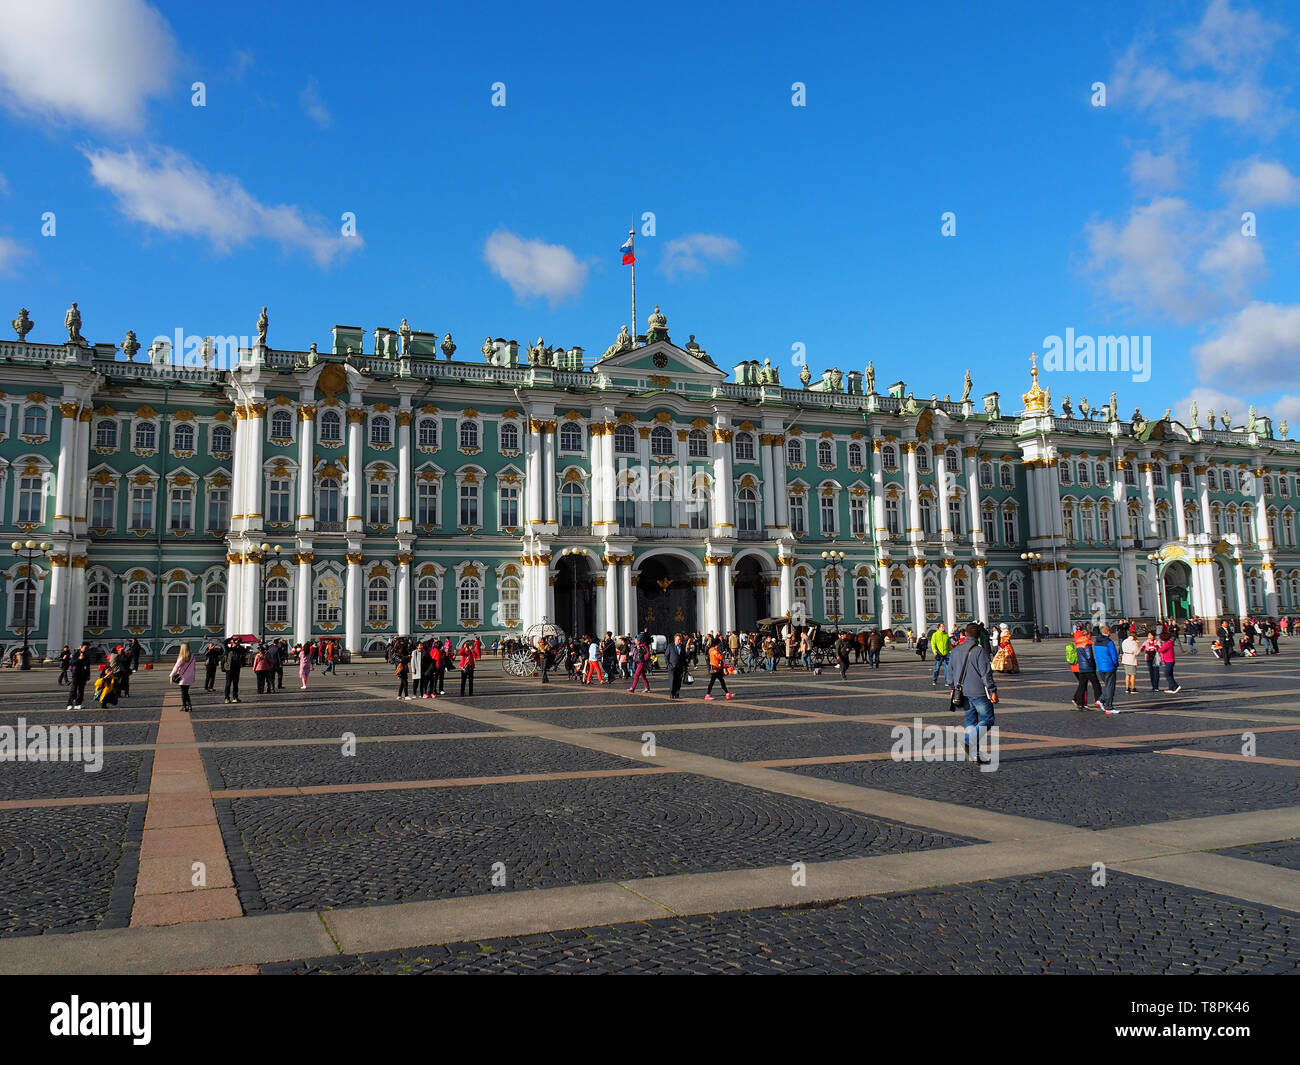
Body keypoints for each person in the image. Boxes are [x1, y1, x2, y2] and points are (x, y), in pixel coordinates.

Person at [948, 623, 998, 765]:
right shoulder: (979, 651)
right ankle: (967, 740)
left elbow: (950, 672)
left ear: (966, 633)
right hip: (978, 692)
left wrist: (952, 688)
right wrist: (992, 690)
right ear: (978, 635)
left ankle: (975, 755)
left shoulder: (956, 650)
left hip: (962, 692)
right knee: (988, 719)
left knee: (971, 722)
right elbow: (986, 674)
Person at [1070, 626, 1100, 711]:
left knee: (1082, 685)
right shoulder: (1087, 643)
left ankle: (1080, 703)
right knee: (1096, 684)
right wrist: (1093, 663)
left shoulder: (1078, 643)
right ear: (1088, 635)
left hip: (1080, 667)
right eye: (1090, 635)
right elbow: (1089, 656)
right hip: (1088, 667)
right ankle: (1099, 700)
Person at [1092, 626, 1118, 714]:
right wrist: (1116, 664)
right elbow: (1114, 655)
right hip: (1109, 667)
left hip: (1100, 667)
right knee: (1110, 687)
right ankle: (1109, 707)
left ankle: (1101, 700)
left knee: (1107, 686)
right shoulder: (1109, 642)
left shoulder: (1096, 642)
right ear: (1108, 632)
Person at [170, 643, 196, 713]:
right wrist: (193, 676)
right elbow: (194, 668)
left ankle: (185, 706)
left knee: (183, 692)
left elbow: (176, 667)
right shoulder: (193, 656)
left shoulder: (182, 657)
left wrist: (171, 675)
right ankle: (189, 706)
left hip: (183, 677)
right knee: (186, 692)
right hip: (190, 676)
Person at [67, 644, 91, 710]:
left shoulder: (87, 656)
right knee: (73, 690)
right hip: (76, 674)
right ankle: (70, 704)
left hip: (83, 674)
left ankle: (78, 704)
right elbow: (72, 663)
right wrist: (79, 659)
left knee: (81, 690)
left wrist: (88, 675)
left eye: (87, 648)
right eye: (85, 648)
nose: (87, 649)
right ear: (81, 647)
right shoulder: (76, 654)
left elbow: (88, 666)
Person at [223, 638, 244, 703]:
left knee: (235, 684)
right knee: (228, 684)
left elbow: (244, 651)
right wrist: (232, 638)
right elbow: (224, 642)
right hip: (229, 668)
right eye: (236, 642)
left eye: (238, 642)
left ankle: (235, 697)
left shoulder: (239, 649)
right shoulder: (228, 649)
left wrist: (238, 643)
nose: (237, 643)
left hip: (236, 668)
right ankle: (226, 698)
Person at [1120, 628, 1140, 699]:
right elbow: (1137, 653)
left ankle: (1127, 688)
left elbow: (1122, 649)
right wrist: (1139, 646)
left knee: (1127, 674)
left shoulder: (1125, 641)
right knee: (1133, 675)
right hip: (1131, 658)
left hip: (1125, 658)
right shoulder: (1134, 643)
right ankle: (1133, 688)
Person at [667, 634, 687, 698]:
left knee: (678, 681)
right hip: (672, 666)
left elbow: (684, 657)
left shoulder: (682, 647)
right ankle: (672, 693)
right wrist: (668, 664)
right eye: (678, 639)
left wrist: (685, 667)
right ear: (675, 639)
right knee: (672, 680)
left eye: (680, 639)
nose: (679, 641)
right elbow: (666, 655)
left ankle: (677, 693)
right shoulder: (670, 646)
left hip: (680, 667)